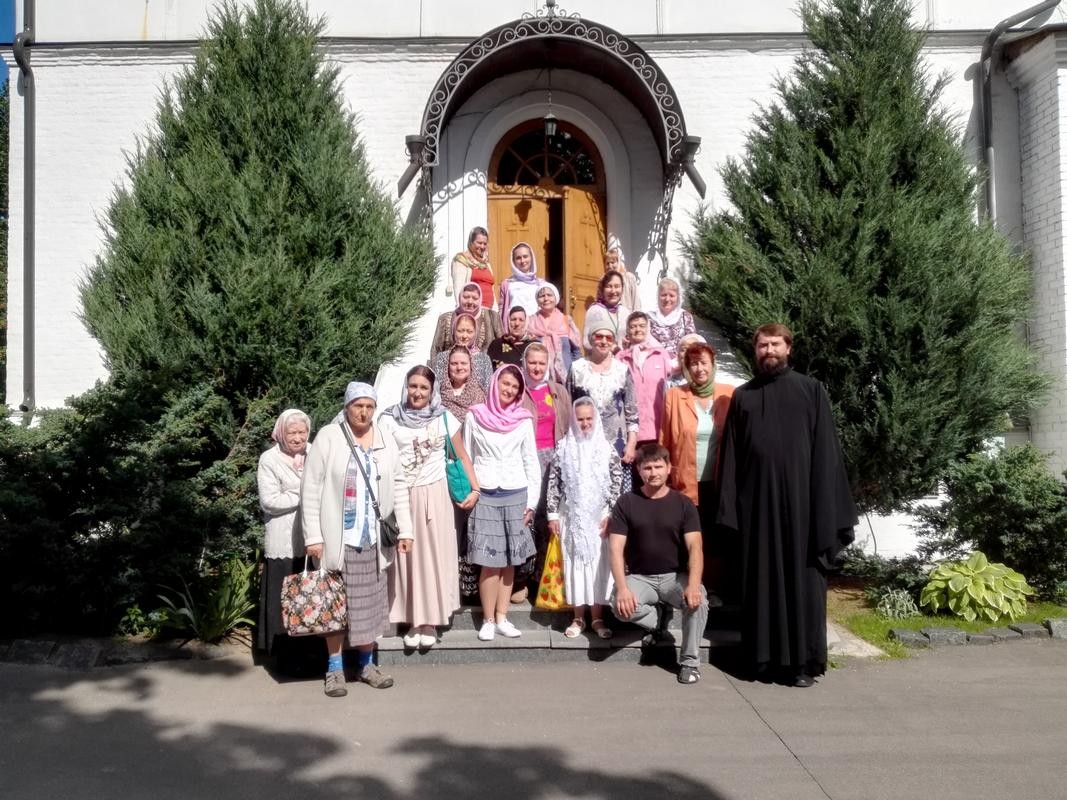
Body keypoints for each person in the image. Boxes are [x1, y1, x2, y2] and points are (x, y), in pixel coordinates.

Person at [716, 323, 857, 687]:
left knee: (803, 585)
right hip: (757, 510)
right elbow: (731, 459)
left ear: (788, 348)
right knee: (759, 584)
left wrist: (825, 511)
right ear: (755, 351)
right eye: (762, 345)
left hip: (803, 512)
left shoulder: (811, 391)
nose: (768, 351)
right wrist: (730, 511)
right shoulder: (743, 397)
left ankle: (802, 665)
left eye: (775, 344)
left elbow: (826, 454)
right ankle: (761, 659)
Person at [301, 382, 413, 698]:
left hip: (373, 540)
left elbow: (399, 484)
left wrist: (406, 529)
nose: (363, 412)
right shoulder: (329, 437)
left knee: (370, 606)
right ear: (347, 406)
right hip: (338, 539)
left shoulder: (384, 437)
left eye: (369, 407)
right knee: (334, 606)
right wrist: (313, 535)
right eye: (357, 406)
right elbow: (311, 489)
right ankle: (335, 669)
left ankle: (366, 665)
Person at [381, 366, 479, 649]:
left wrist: (475, 488)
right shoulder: (388, 419)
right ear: (406, 387)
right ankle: (412, 619)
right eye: (413, 386)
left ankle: (430, 621)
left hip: (435, 495)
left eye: (424, 387)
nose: (417, 392)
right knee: (406, 559)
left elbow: (462, 455)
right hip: (401, 495)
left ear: (432, 391)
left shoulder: (444, 418)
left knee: (433, 557)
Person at [608, 444, 709, 685]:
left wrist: (693, 585)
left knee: (699, 602)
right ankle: (658, 622)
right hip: (640, 577)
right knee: (618, 605)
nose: (653, 473)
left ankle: (689, 662)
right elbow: (615, 549)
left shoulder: (683, 504)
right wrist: (622, 588)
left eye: (658, 466)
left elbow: (695, 548)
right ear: (639, 470)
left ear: (668, 468)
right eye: (647, 468)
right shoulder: (626, 502)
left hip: (675, 577)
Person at [463, 365, 542, 641]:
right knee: (489, 561)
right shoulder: (475, 416)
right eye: (505, 383)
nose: (509, 390)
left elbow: (531, 462)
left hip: (515, 493)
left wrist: (531, 504)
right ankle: (487, 620)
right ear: (495, 383)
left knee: (509, 560)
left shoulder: (523, 420)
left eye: (515, 387)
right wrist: (472, 491)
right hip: (484, 494)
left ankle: (502, 617)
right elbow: (467, 457)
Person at [660, 342, 735, 597]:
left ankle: (713, 589)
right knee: (690, 536)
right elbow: (665, 440)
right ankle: (689, 587)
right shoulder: (674, 396)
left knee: (716, 536)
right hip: (686, 482)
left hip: (720, 482)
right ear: (687, 368)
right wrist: (664, 480)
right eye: (693, 364)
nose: (699, 368)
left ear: (713, 365)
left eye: (704, 362)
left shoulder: (730, 395)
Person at [547, 397, 624, 639]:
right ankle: (578, 617)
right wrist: (552, 514)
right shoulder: (563, 448)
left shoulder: (607, 448)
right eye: (580, 419)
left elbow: (617, 482)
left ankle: (598, 618)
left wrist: (611, 513)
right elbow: (553, 483)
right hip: (571, 516)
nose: (585, 423)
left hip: (600, 518)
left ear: (596, 419)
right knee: (575, 565)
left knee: (598, 566)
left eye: (589, 418)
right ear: (573, 420)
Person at [256, 408, 315, 671]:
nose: (298, 438)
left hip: (311, 538)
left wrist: (291, 491)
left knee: (310, 599)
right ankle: (284, 659)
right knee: (284, 600)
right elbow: (270, 501)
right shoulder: (269, 459)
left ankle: (312, 656)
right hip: (283, 541)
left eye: (302, 432)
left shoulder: (314, 453)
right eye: (292, 432)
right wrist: (304, 494)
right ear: (281, 432)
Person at [517, 342, 572, 602]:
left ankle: (544, 576)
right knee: (527, 517)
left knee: (549, 518)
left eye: (541, 363)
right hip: (525, 460)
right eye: (532, 362)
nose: (537, 368)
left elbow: (569, 426)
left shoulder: (558, 391)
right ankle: (522, 578)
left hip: (554, 459)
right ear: (524, 363)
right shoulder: (518, 391)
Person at [437, 345, 486, 602]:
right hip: (445, 468)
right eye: (454, 363)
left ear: (471, 366)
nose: (458, 367)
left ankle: (470, 587)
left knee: (470, 527)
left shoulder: (480, 396)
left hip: (472, 465)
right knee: (449, 528)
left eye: (463, 363)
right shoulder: (438, 396)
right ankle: (449, 585)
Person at [567, 324, 639, 493]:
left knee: (617, 496)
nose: (604, 341)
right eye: (599, 336)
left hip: (616, 444)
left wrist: (631, 444)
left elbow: (632, 412)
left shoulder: (622, 370)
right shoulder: (577, 368)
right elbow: (568, 408)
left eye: (609, 338)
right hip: (585, 444)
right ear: (590, 339)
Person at [616, 312, 672, 453]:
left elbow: (672, 383)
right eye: (633, 326)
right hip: (631, 430)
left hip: (657, 426)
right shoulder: (620, 358)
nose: (638, 329)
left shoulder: (661, 354)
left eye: (642, 326)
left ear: (648, 328)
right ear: (627, 330)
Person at [429, 282, 504, 360]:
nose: (470, 302)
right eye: (466, 297)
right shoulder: (445, 318)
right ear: (459, 297)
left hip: (487, 366)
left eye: (475, 298)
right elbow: (436, 349)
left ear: (480, 299)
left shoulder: (492, 316)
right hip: (453, 365)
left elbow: (503, 345)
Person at [527, 282, 581, 384]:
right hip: (539, 377)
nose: (546, 298)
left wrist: (575, 373)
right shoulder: (531, 322)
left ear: (556, 298)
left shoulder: (566, 320)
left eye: (549, 295)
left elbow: (576, 351)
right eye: (542, 296)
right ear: (537, 300)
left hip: (566, 377)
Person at [430, 312, 493, 390]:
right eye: (460, 331)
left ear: (475, 333)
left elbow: (488, 388)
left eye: (469, 331)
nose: (464, 336)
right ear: (453, 331)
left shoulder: (484, 359)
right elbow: (437, 388)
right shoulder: (443, 357)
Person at [648, 278, 697, 363]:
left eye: (671, 295)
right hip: (653, 365)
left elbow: (693, 344)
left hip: (679, 365)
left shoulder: (685, 317)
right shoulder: (648, 318)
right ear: (658, 296)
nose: (667, 299)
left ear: (678, 298)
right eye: (663, 295)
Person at [582, 270, 631, 349]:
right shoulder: (595, 311)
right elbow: (586, 342)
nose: (613, 291)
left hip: (623, 355)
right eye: (609, 286)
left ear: (622, 288)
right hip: (601, 355)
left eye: (617, 286)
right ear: (602, 289)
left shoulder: (626, 312)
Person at [448, 226, 495, 307]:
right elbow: (458, 289)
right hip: (471, 309)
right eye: (479, 243)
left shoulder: (486, 264)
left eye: (485, 244)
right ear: (471, 242)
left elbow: (491, 289)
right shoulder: (462, 261)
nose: (482, 246)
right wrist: (463, 310)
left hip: (489, 310)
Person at [499, 242, 547, 320]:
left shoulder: (541, 284)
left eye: (525, 256)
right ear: (513, 261)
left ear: (531, 258)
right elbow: (502, 310)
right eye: (518, 258)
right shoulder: (507, 284)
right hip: (514, 325)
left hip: (534, 325)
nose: (522, 261)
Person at [486, 305, 538, 369]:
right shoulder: (497, 344)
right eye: (513, 319)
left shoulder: (534, 345)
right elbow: (488, 369)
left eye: (521, 320)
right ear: (508, 321)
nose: (517, 324)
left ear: (526, 322)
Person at [604, 246, 641, 312]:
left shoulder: (629, 278)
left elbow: (636, 302)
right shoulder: (605, 282)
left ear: (618, 263)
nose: (610, 266)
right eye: (607, 263)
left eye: (612, 262)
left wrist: (637, 316)